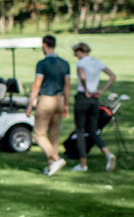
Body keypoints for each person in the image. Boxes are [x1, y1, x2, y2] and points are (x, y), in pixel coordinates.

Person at [26, 34, 71, 176]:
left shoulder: (42, 63)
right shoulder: (65, 63)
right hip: (60, 99)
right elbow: (67, 86)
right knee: (54, 134)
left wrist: (29, 103)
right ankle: (51, 165)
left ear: (44, 45)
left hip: (46, 100)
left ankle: (56, 159)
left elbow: (37, 84)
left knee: (39, 134)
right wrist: (66, 104)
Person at [71, 42, 117, 172]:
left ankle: (83, 164)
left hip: (83, 97)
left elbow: (83, 76)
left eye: (75, 52)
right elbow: (112, 76)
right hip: (95, 99)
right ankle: (108, 153)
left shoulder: (81, 63)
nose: (75, 55)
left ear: (80, 51)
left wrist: (85, 89)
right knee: (92, 131)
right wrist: (101, 91)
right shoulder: (98, 62)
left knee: (80, 131)